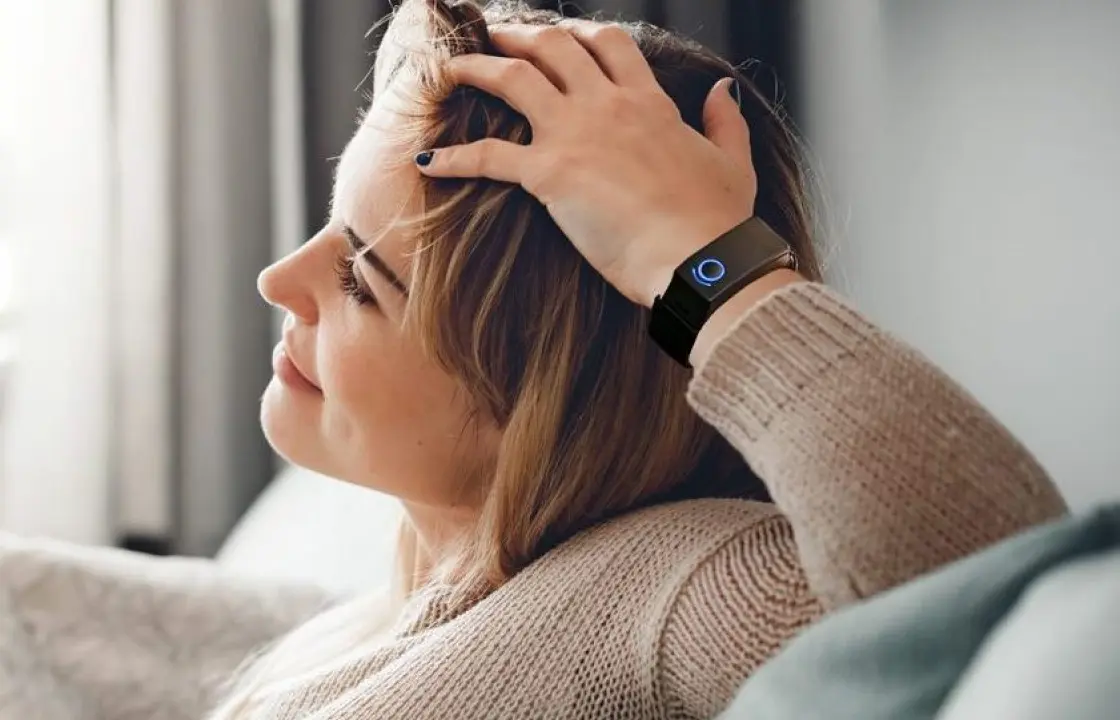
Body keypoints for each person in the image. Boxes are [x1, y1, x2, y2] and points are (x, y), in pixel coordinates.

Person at [0, 1, 1067, 719]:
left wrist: (710, 266)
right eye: (331, 229)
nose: (279, 280)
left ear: (546, 390)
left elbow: (992, 599)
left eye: (364, 280)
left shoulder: (672, 580)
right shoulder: (404, 590)